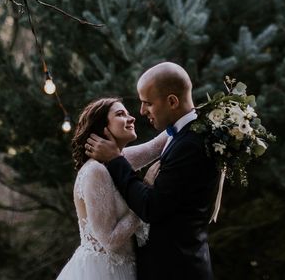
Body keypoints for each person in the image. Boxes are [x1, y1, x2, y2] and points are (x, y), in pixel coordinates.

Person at [86, 62, 220, 280]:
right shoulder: (182, 134)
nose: (141, 112)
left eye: (147, 103)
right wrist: (111, 156)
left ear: (172, 101)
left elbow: (150, 207)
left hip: (177, 269)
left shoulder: (190, 144)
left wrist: (114, 159)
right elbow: (149, 149)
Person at [57, 97, 167, 280]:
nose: (132, 118)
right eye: (120, 114)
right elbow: (110, 241)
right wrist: (146, 189)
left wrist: (204, 112)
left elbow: (156, 147)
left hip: (127, 267)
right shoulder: (95, 171)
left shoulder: (116, 159)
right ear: (103, 128)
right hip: (105, 272)